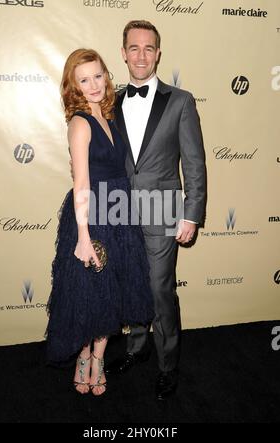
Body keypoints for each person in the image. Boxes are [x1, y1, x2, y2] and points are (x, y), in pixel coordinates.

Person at [105, 20, 207, 400]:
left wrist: (191, 214)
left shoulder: (180, 100)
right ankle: (136, 349)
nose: (141, 55)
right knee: (130, 286)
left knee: (160, 291)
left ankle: (167, 366)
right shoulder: (110, 100)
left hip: (163, 210)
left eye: (149, 48)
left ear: (158, 53)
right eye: (134, 48)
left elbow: (194, 163)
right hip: (118, 211)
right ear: (124, 53)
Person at [45, 49, 154, 396]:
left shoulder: (109, 117)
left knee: (114, 290)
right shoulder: (80, 122)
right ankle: (82, 357)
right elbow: (81, 182)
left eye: (98, 75)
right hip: (92, 214)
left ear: (107, 75)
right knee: (89, 293)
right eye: (84, 79)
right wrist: (82, 236)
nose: (93, 84)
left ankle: (99, 359)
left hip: (119, 211)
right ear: (73, 86)